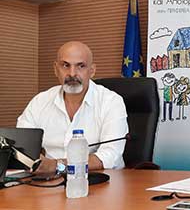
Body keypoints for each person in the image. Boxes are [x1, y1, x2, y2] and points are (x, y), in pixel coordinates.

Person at [17, 41, 128, 174]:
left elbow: (110, 156)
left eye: (81, 66)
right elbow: (22, 146)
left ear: (92, 71)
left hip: (100, 179)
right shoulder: (40, 101)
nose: (72, 73)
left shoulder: (111, 102)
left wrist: (57, 166)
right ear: (56, 69)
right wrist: (35, 162)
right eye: (65, 65)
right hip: (49, 180)